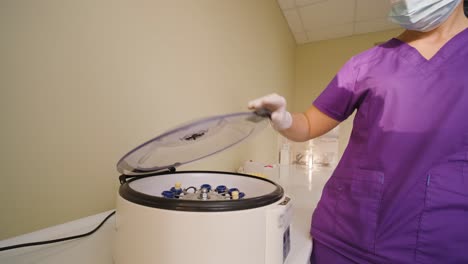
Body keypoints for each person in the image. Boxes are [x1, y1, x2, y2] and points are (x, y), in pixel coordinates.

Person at [248, 0, 468, 263]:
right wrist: (283, 120)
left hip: (441, 246)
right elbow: (307, 124)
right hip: (345, 236)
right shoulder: (366, 63)